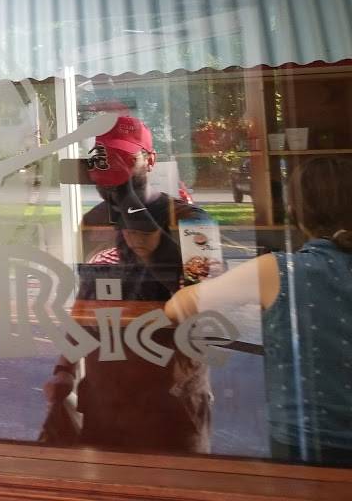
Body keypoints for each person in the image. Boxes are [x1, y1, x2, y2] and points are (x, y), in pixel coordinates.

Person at [165, 156, 352, 467]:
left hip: (304, 440)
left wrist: (207, 275)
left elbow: (178, 307)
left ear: (295, 211)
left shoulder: (279, 270)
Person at [43, 115, 212, 452]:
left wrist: (148, 238)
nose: (112, 172)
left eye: (123, 159)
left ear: (150, 160)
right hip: (105, 401)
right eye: (103, 161)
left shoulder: (192, 221)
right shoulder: (93, 221)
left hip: (172, 402)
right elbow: (87, 300)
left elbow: (204, 302)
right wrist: (65, 367)